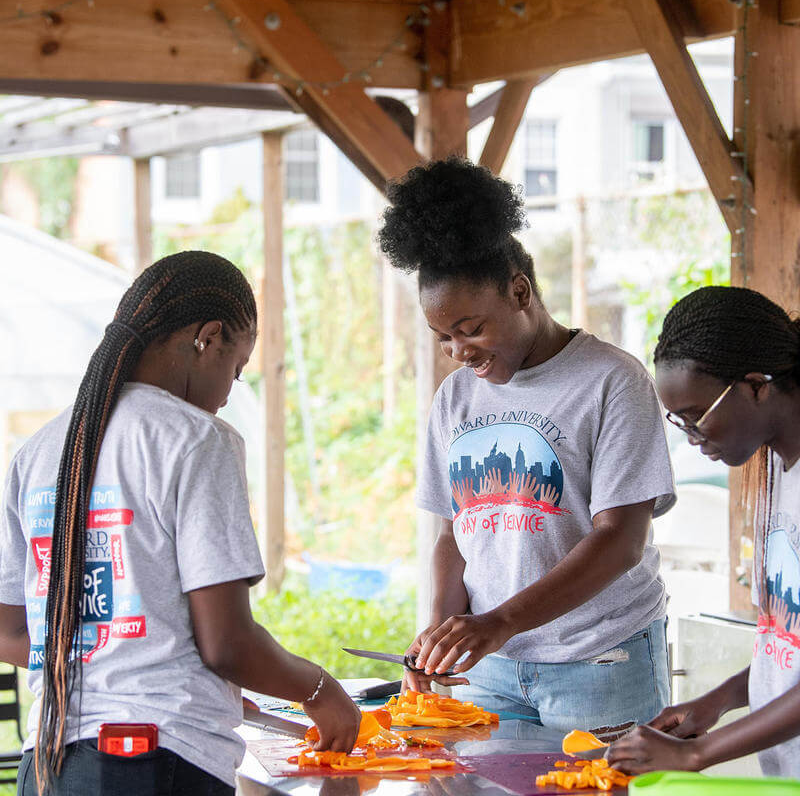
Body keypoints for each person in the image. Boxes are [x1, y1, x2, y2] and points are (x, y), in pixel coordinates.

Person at [0, 251, 360, 796]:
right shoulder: (196, 441)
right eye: (236, 370)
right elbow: (226, 644)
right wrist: (318, 690)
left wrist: (154, 665)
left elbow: (11, 633)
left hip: (46, 768)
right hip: (152, 765)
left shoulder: (37, 453)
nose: (227, 394)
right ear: (208, 338)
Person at [377, 158, 676, 733]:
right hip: (490, 667)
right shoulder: (455, 398)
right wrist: (443, 629)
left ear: (520, 291)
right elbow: (452, 531)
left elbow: (621, 541)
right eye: (443, 337)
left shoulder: (611, 380)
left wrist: (498, 622)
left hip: (600, 660)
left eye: (471, 328)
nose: (459, 350)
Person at [608, 285, 800, 778]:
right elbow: (786, 644)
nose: (693, 440)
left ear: (756, 385)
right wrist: (715, 702)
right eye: (681, 423)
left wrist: (697, 754)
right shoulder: (776, 469)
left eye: (698, 419)